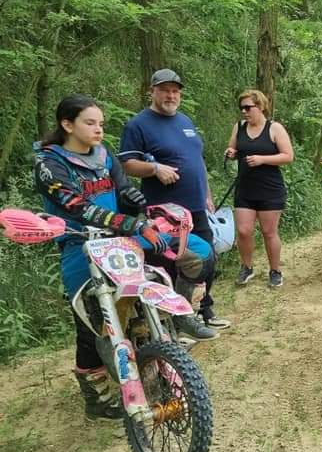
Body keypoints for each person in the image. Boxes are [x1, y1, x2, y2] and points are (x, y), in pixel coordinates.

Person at [34, 94, 215, 419]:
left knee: (198, 252)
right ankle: (96, 395)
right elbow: (78, 207)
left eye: (101, 123)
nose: (98, 129)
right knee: (90, 319)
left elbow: (123, 189)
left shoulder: (103, 154)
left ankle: (177, 318)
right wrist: (131, 223)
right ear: (67, 124)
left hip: (123, 236)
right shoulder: (49, 164)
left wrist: (139, 207)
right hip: (81, 242)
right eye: (90, 123)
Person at [119, 69, 227, 337]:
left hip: (195, 207)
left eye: (175, 91)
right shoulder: (138, 125)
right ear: (152, 91)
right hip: (165, 213)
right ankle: (172, 323)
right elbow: (127, 164)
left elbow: (197, 160)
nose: (171, 95)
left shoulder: (185, 121)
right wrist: (155, 169)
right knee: (171, 264)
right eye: (165, 90)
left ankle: (203, 310)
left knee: (207, 258)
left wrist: (207, 193)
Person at [224, 89, 295, 288]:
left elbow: (288, 156)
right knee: (243, 231)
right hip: (245, 188)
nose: (244, 112)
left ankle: (275, 270)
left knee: (269, 232)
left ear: (261, 106)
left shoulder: (274, 128)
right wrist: (231, 153)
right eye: (241, 108)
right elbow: (233, 148)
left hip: (270, 189)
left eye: (248, 107)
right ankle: (247, 267)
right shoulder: (239, 127)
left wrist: (262, 159)